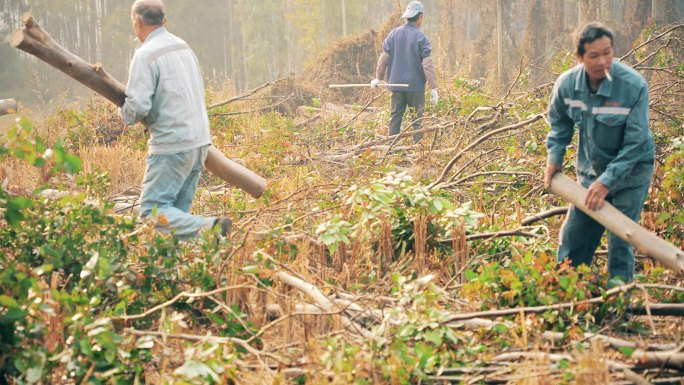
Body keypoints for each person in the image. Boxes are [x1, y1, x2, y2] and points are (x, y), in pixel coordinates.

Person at [544, 22, 655, 283]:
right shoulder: (567, 85)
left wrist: (608, 182)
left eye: (607, 52)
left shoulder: (632, 86)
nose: (603, 61)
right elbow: (559, 123)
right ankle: (568, 296)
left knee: (620, 240)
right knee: (574, 237)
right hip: (590, 173)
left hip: (631, 175)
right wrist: (554, 158)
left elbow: (636, 143)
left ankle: (620, 308)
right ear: (579, 57)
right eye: (594, 55)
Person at [120, 0, 231, 240]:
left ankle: (210, 230)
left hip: (172, 147)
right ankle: (181, 272)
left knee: (152, 212)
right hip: (199, 144)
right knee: (175, 222)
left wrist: (125, 112)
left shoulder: (145, 55)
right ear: (164, 21)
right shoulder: (183, 47)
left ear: (137, 21)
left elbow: (138, 106)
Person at [371, 1, 438, 142]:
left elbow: (384, 58)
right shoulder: (421, 38)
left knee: (395, 118)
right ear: (420, 17)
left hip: (396, 86)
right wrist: (433, 87)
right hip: (415, 88)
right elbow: (427, 63)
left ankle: (391, 148)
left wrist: (378, 78)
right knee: (417, 120)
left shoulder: (393, 35)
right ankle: (419, 151)